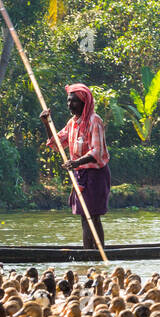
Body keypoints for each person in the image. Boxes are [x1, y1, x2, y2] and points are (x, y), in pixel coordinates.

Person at [41, 84, 110, 249]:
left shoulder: (95, 120)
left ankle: (96, 252)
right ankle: (89, 252)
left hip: (96, 175)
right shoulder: (72, 124)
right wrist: (46, 124)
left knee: (93, 216)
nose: (69, 105)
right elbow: (57, 144)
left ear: (84, 102)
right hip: (80, 175)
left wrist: (75, 163)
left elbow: (97, 152)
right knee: (84, 216)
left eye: (74, 101)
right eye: (68, 101)